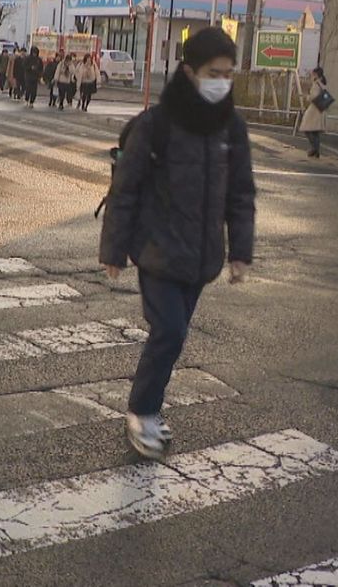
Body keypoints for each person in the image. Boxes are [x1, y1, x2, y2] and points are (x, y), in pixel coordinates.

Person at [99, 27, 256, 461]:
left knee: (174, 335)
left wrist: (241, 251)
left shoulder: (231, 127)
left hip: (202, 255)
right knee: (168, 330)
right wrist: (113, 250)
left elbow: (241, 192)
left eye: (228, 73)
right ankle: (142, 411)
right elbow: (126, 189)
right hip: (157, 249)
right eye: (213, 72)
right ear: (189, 71)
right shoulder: (158, 124)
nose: (222, 81)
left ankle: (148, 406)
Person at [300, 67, 329, 158]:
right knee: (315, 131)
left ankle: (314, 149)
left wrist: (307, 96)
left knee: (307, 129)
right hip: (320, 109)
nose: (312, 75)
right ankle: (316, 151)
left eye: (313, 74)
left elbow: (313, 97)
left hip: (314, 110)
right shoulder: (322, 83)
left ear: (316, 74)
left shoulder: (317, 84)